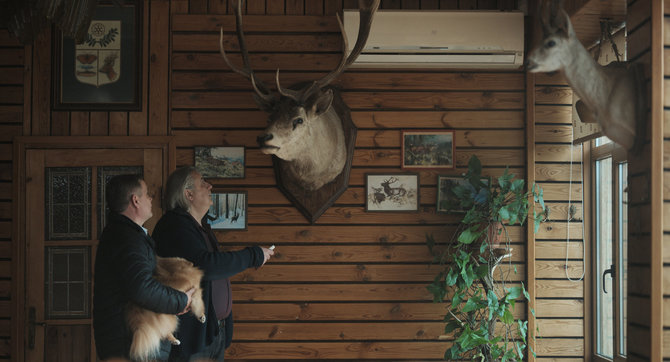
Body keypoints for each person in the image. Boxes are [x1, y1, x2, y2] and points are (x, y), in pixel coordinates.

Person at [153, 166, 274, 361]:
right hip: (192, 336)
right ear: (188, 194)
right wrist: (253, 255)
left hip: (212, 332)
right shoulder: (175, 225)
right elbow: (204, 266)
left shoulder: (200, 227)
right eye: (203, 183)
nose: (210, 186)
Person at [93, 174, 195, 362]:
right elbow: (141, 287)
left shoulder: (124, 234)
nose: (151, 199)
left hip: (130, 341)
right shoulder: (127, 239)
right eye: (147, 194)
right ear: (135, 200)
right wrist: (180, 300)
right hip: (132, 344)